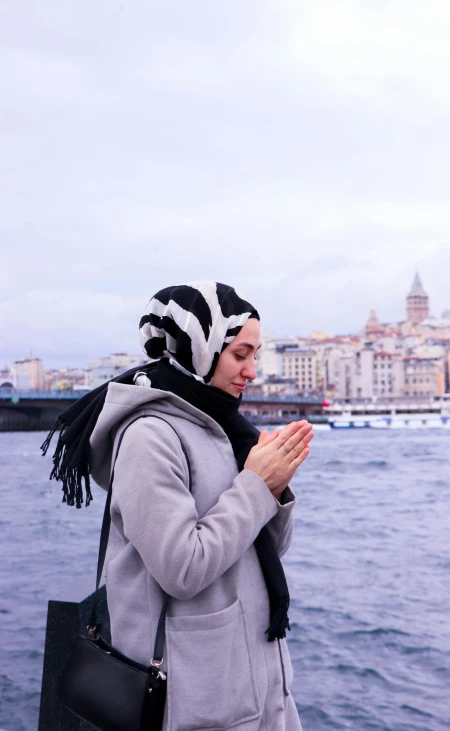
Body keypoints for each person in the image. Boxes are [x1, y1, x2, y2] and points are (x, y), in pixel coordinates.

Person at [43, 282, 313, 731]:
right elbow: (181, 568)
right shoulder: (150, 436)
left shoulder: (223, 427)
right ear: (201, 348)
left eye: (255, 355)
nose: (251, 370)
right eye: (240, 354)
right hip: (195, 699)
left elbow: (266, 550)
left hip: (258, 687)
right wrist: (257, 485)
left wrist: (275, 488)